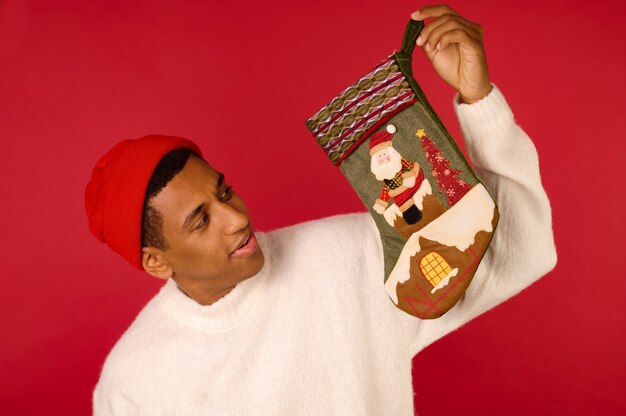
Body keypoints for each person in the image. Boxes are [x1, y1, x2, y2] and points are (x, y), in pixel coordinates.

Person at [85, 5, 557, 415]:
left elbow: (517, 253)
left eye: (224, 192)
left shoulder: (347, 257)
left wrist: (479, 101)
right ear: (156, 260)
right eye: (201, 220)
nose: (236, 217)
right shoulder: (134, 381)